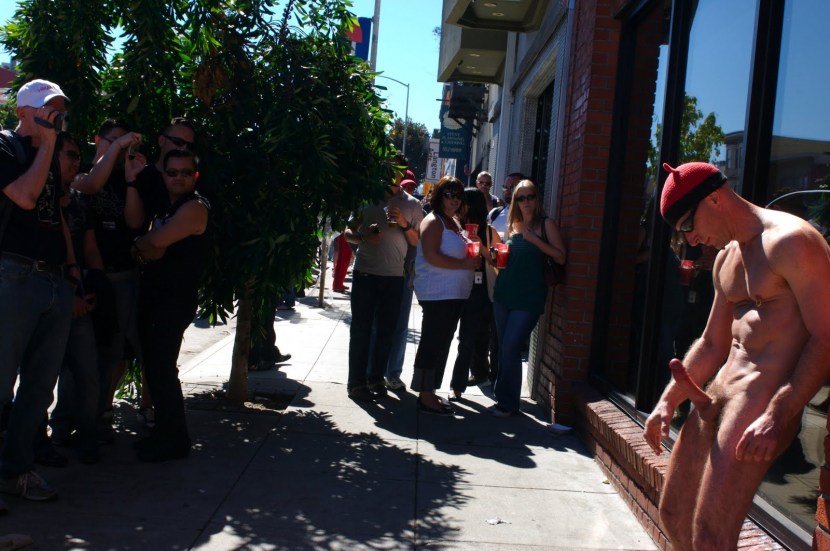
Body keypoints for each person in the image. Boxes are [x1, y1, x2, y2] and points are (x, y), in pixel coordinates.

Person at [642, 162, 830, 549]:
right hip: (716, 397)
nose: (691, 240)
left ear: (714, 197)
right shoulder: (728, 258)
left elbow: (826, 335)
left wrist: (780, 412)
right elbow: (713, 344)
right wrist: (666, 402)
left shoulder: (792, 242)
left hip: (759, 405)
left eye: (687, 226)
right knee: (673, 513)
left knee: (711, 537)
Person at [0, 79, 77, 502]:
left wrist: (71, 271)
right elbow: (25, 198)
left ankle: (16, 472)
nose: (57, 118)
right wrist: (47, 145)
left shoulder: (50, 155)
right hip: (13, 275)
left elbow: (56, 215)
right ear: (24, 112)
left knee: (38, 388)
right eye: (49, 109)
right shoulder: (7, 148)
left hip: (53, 280)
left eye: (60, 111)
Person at [126, 149, 209, 462]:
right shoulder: (170, 206)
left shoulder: (195, 208)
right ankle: (164, 434)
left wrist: (142, 245)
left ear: (195, 177)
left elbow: (154, 244)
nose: (178, 177)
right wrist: (146, 245)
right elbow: (151, 243)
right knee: (155, 370)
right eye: (172, 172)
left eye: (185, 172)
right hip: (156, 298)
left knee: (162, 370)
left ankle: (174, 441)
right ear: (164, 175)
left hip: (173, 301)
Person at [71, 119, 150, 434]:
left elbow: (134, 223)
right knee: (79, 356)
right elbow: (90, 184)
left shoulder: (122, 179)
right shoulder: (76, 173)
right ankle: (72, 421)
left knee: (117, 351)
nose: (120, 147)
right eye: (114, 140)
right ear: (97, 139)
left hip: (122, 275)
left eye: (125, 142)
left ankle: (101, 413)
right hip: (86, 278)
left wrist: (131, 181)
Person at [343, 169, 423, 401]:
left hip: (395, 276)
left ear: (402, 176)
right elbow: (348, 232)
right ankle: (356, 383)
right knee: (361, 330)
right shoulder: (367, 197)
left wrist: (404, 223)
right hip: (365, 273)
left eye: (397, 172)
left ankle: (376, 379)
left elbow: (417, 240)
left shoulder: (412, 204)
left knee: (386, 333)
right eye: (388, 170)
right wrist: (362, 237)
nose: (392, 176)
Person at [491, 179, 566, 416]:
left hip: (529, 298)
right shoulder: (513, 224)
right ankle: (503, 398)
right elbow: (506, 260)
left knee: (512, 347)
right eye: (521, 198)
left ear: (537, 199)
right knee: (504, 348)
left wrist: (534, 240)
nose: (526, 202)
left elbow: (561, 257)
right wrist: (496, 255)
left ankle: (509, 404)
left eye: (530, 196)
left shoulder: (546, 224)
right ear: (515, 201)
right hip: (504, 293)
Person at [411, 176, 480, 415]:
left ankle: (430, 390)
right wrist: (464, 265)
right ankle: (424, 394)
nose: (454, 200)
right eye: (449, 194)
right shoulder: (433, 222)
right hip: (437, 293)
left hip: (455, 294)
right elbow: (432, 256)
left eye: (458, 195)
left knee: (441, 343)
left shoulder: (455, 222)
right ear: (439, 196)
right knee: (432, 342)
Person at [448, 187, 502, 399]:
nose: (458, 204)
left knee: (469, 338)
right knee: (449, 337)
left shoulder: (489, 232)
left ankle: (457, 386)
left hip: (479, 289)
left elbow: (498, 262)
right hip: (453, 286)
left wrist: (482, 247)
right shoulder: (453, 227)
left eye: (462, 200)